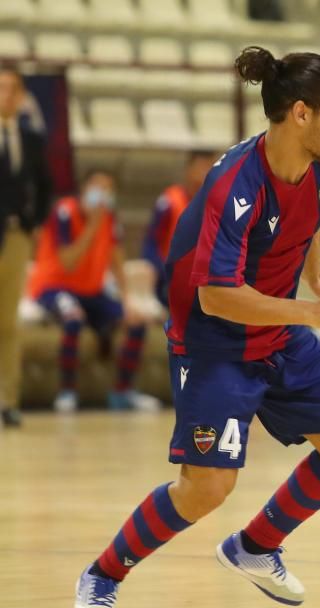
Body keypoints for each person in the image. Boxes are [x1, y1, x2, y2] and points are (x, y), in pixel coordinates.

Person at [73, 46, 320, 608]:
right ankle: (104, 574)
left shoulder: (318, 169)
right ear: (300, 114)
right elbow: (216, 295)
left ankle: (256, 546)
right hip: (215, 343)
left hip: (279, 331)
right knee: (206, 488)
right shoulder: (235, 184)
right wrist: (312, 311)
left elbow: (307, 222)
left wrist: (314, 279)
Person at [27, 170, 158, 413]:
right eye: (98, 187)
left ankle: (122, 392)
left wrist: (127, 300)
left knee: (137, 322)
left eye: (108, 189)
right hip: (54, 286)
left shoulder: (109, 218)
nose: (103, 194)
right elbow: (68, 261)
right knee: (73, 317)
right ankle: (67, 392)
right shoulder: (64, 212)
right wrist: (92, 226)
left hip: (91, 291)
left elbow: (117, 260)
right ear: (84, 189)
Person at [0, 64, 52, 427]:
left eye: (11, 88)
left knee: (8, 323)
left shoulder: (30, 138)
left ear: (20, 96)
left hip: (17, 235)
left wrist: (35, 221)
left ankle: (7, 399)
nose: (5, 95)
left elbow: (46, 183)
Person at [142, 150, 217, 307]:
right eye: (201, 167)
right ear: (188, 170)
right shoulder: (169, 201)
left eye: (210, 168)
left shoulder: (218, 204)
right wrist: (163, 272)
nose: (205, 173)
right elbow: (150, 243)